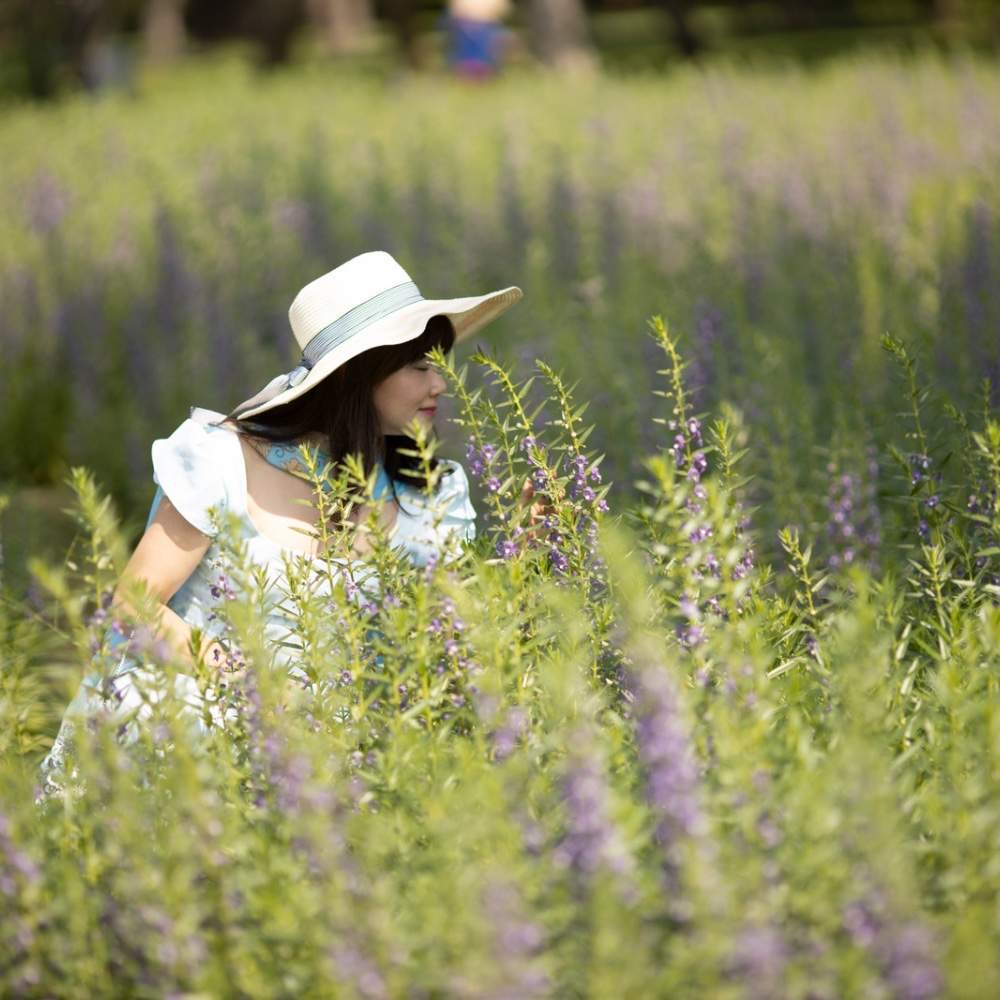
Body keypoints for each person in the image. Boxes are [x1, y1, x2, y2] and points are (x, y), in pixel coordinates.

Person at [37, 250, 522, 791]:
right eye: (420, 367)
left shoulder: (430, 494)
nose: (440, 385)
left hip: (344, 755)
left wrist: (523, 549)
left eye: (439, 365)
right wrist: (252, 687)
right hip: (200, 724)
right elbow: (132, 604)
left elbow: (451, 637)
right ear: (360, 373)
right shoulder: (224, 460)